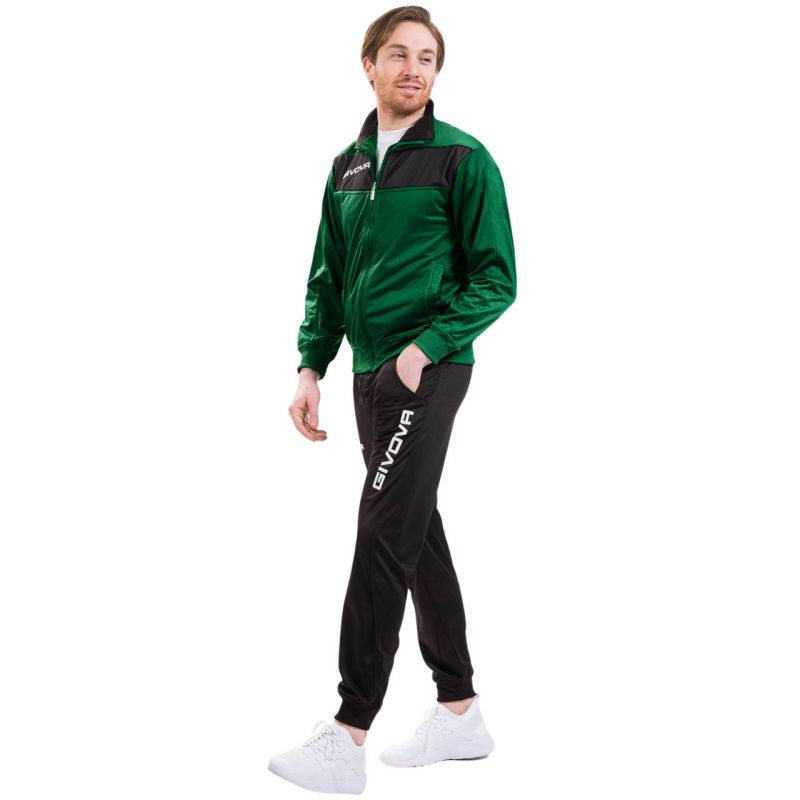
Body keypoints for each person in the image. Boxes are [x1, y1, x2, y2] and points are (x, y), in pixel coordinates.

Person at [269, 6, 516, 794]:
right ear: (368, 64)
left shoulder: (462, 158)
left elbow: (497, 278)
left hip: (426, 368)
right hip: (367, 372)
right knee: (412, 526)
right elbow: (327, 275)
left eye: (428, 58)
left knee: (381, 529)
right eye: (400, 55)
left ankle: (348, 733)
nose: (415, 69)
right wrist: (311, 365)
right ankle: (459, 710)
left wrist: (425, 347)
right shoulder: (346, 166)